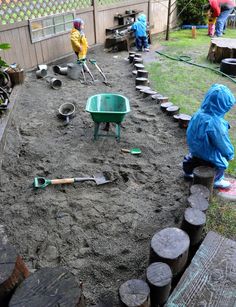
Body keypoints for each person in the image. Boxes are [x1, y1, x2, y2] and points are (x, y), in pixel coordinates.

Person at [183, 84, 235, 189]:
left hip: (195, 149)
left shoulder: (198, 114)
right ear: (223, 106)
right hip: (208, 153)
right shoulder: (215, 123)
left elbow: (190, 130)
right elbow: (222, 142)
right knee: (221, 164)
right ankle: (216, 180)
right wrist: (229, 154)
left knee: (193, 159)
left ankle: (188, 172)